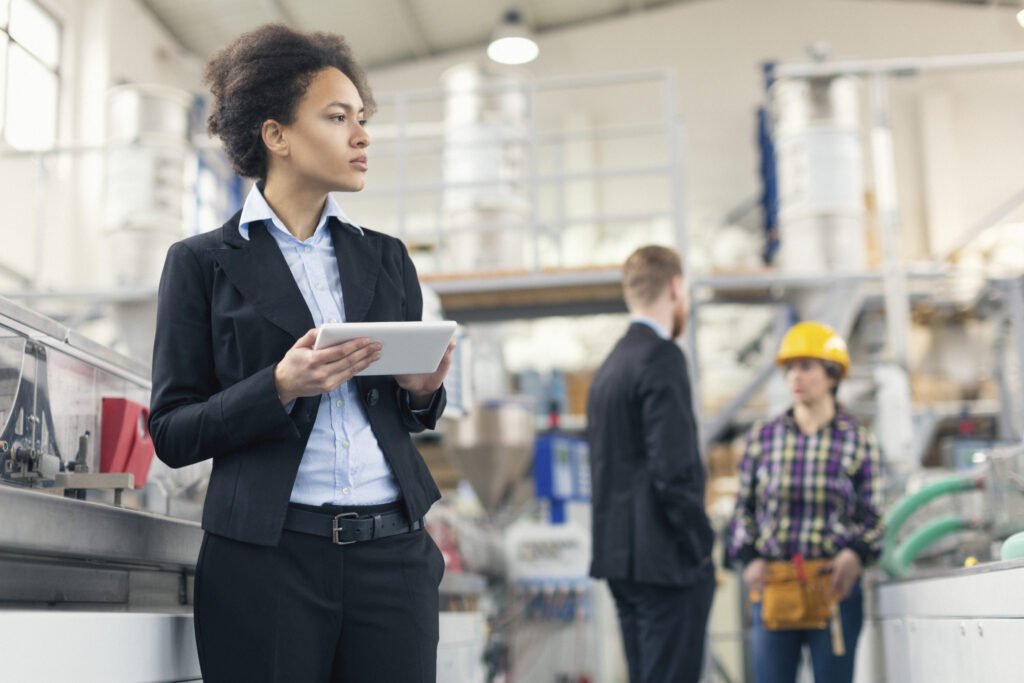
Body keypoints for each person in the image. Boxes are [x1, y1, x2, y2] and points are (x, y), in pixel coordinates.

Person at [148, 24, 454, 683]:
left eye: (361, 118)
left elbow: (407, 413)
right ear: (276, 135)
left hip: (392, 557)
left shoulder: (388, 258)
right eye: (338, 116)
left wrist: (421, 390)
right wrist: (278, 385)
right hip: (267, 560)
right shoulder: (200, 263)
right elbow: (171, 430)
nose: (362, 134)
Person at [726, 321, 885, 683]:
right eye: (790, 368)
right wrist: (748, 557)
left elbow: (874, 516)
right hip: (774, 586)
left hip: (834, 589)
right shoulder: (762, 439)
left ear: (832, 376)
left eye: (806, 367)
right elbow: (743, 511)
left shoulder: (858, 442)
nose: (795, 376)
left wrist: (857, 553)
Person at [586, 245, 716, 683]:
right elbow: (673, 470)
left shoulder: (609, 368)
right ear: (677, 288)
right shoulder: (662, 357)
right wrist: (701, 545)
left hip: (621, 561)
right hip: (666, 561)